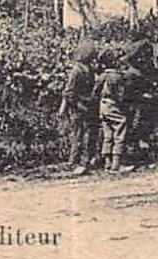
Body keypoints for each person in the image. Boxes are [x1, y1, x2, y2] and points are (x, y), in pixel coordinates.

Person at [57, 40, 99, 175]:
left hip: (88, 106)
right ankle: (74, 161)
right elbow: (69, 93)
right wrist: (80, 104)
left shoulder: (89, 70)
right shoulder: (76, 71)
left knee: (91, 133)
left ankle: (87, 159)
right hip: (78, 108)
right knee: (78, 135)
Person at [94, 49, 133, 173]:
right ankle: (117, 163)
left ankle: (107, 163)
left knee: (107, 135)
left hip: (103, 106)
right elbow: (121, 96)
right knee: (120, 130)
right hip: (113, 105)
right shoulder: (117, 77)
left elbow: (95, 93)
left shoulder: (102, 76)